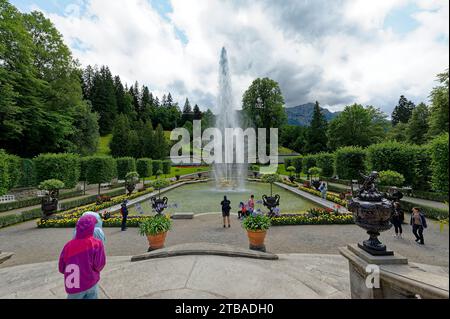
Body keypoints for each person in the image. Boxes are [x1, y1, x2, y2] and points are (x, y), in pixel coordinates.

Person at [59, 215, 106, 299]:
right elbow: (99, 265)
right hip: (91, 282)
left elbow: (61, 268)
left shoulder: (68, 246)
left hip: (73, 286)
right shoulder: (96, 243)